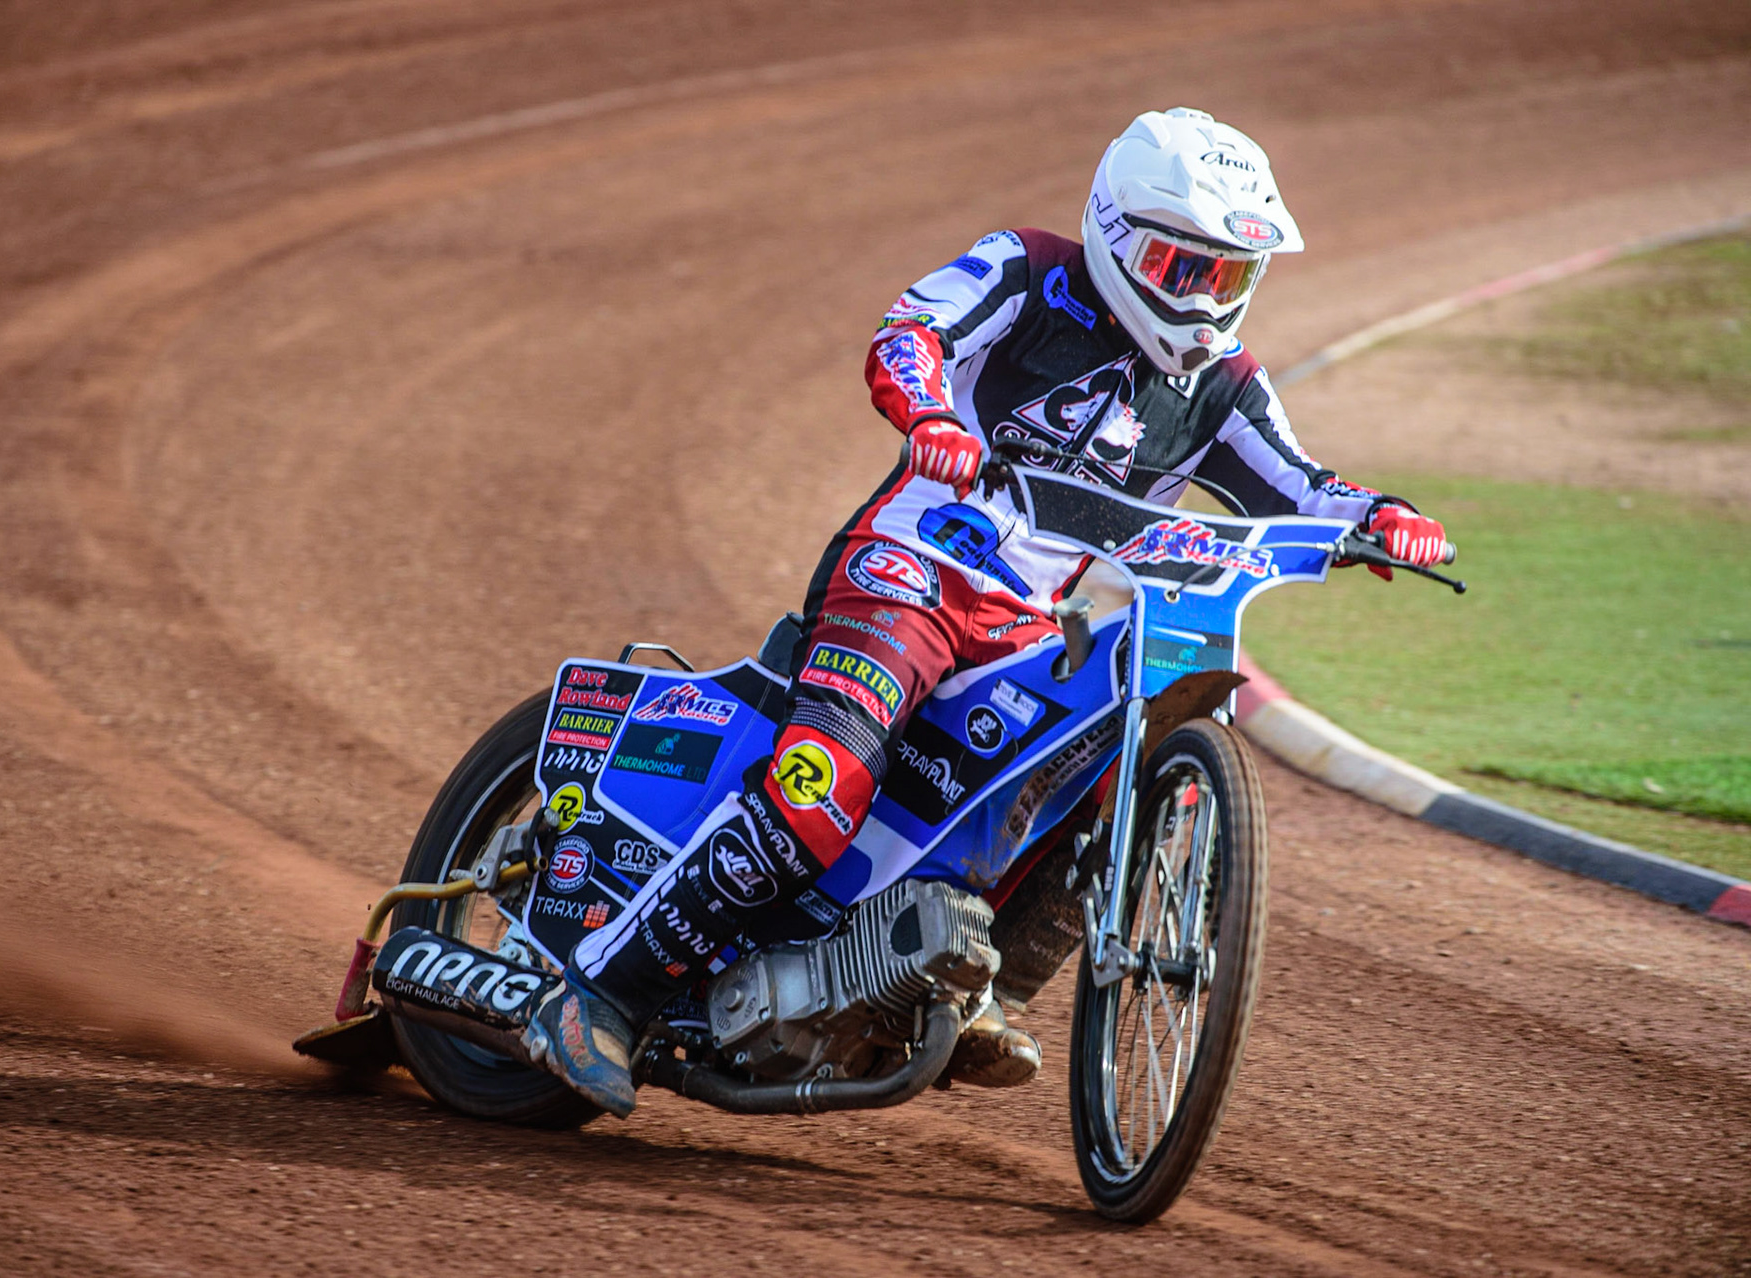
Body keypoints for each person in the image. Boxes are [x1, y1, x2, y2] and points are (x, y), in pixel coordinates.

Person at [523, 107, 1449, 1117]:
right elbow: (911, 333)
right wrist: (929, 414)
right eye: (1182, 268)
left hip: (1026, 630)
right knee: (818, 787)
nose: (1203, 300)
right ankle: (599, 997)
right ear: (1117, 234)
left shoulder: (1224, 386)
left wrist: (1381, 518)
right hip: (909, 575)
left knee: (1100, 777)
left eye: (1229, 277)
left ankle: (981, 989)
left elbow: (1305, 485)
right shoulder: (1025, 269)